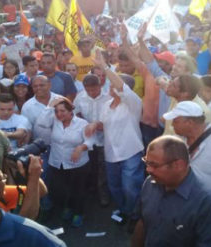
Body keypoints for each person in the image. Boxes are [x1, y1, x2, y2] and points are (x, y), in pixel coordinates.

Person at [131, 135, 211, 247]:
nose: (148, 170)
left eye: (154, 165)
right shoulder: (150, 183)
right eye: (146, 162)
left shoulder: (210, 202)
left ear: (179, 165)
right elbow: (143, 222)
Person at [86, 50, 144, 223]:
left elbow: (120, 86)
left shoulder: (133, 103)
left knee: (130, 187)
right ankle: (125, 211)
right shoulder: (106, 105)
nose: (110, 87)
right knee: (115, 187)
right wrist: (94, 125)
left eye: (113, 85)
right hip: (111, 154)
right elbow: (104, 126)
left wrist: (104, 66)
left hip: (131, 152)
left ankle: (135, 216)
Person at [36, 97, 93, 227]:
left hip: (77, 163)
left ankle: (79, 212)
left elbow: (90, 141)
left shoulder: (82, 123)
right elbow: (42, 123)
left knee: (77, 189)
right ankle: (68, 207)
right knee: (61, 189)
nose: (59, 114)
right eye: (56, 111)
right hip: (57, 162)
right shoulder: (54, 120)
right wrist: (50, 106)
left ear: (70, 111)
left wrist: (80, 148)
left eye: (62, 111)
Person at [73, 74, 111, 207]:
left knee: (103, 168)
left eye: (94, 90)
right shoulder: (80, 97)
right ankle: (90, 190)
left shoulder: (109, 97)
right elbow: (76, 113)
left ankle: (103, 195)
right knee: (89, 166)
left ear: (100, 86)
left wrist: (100, 125)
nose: (91, 93)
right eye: (88, 90)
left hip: (104, 138)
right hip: (87, 138)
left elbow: (112, 118)